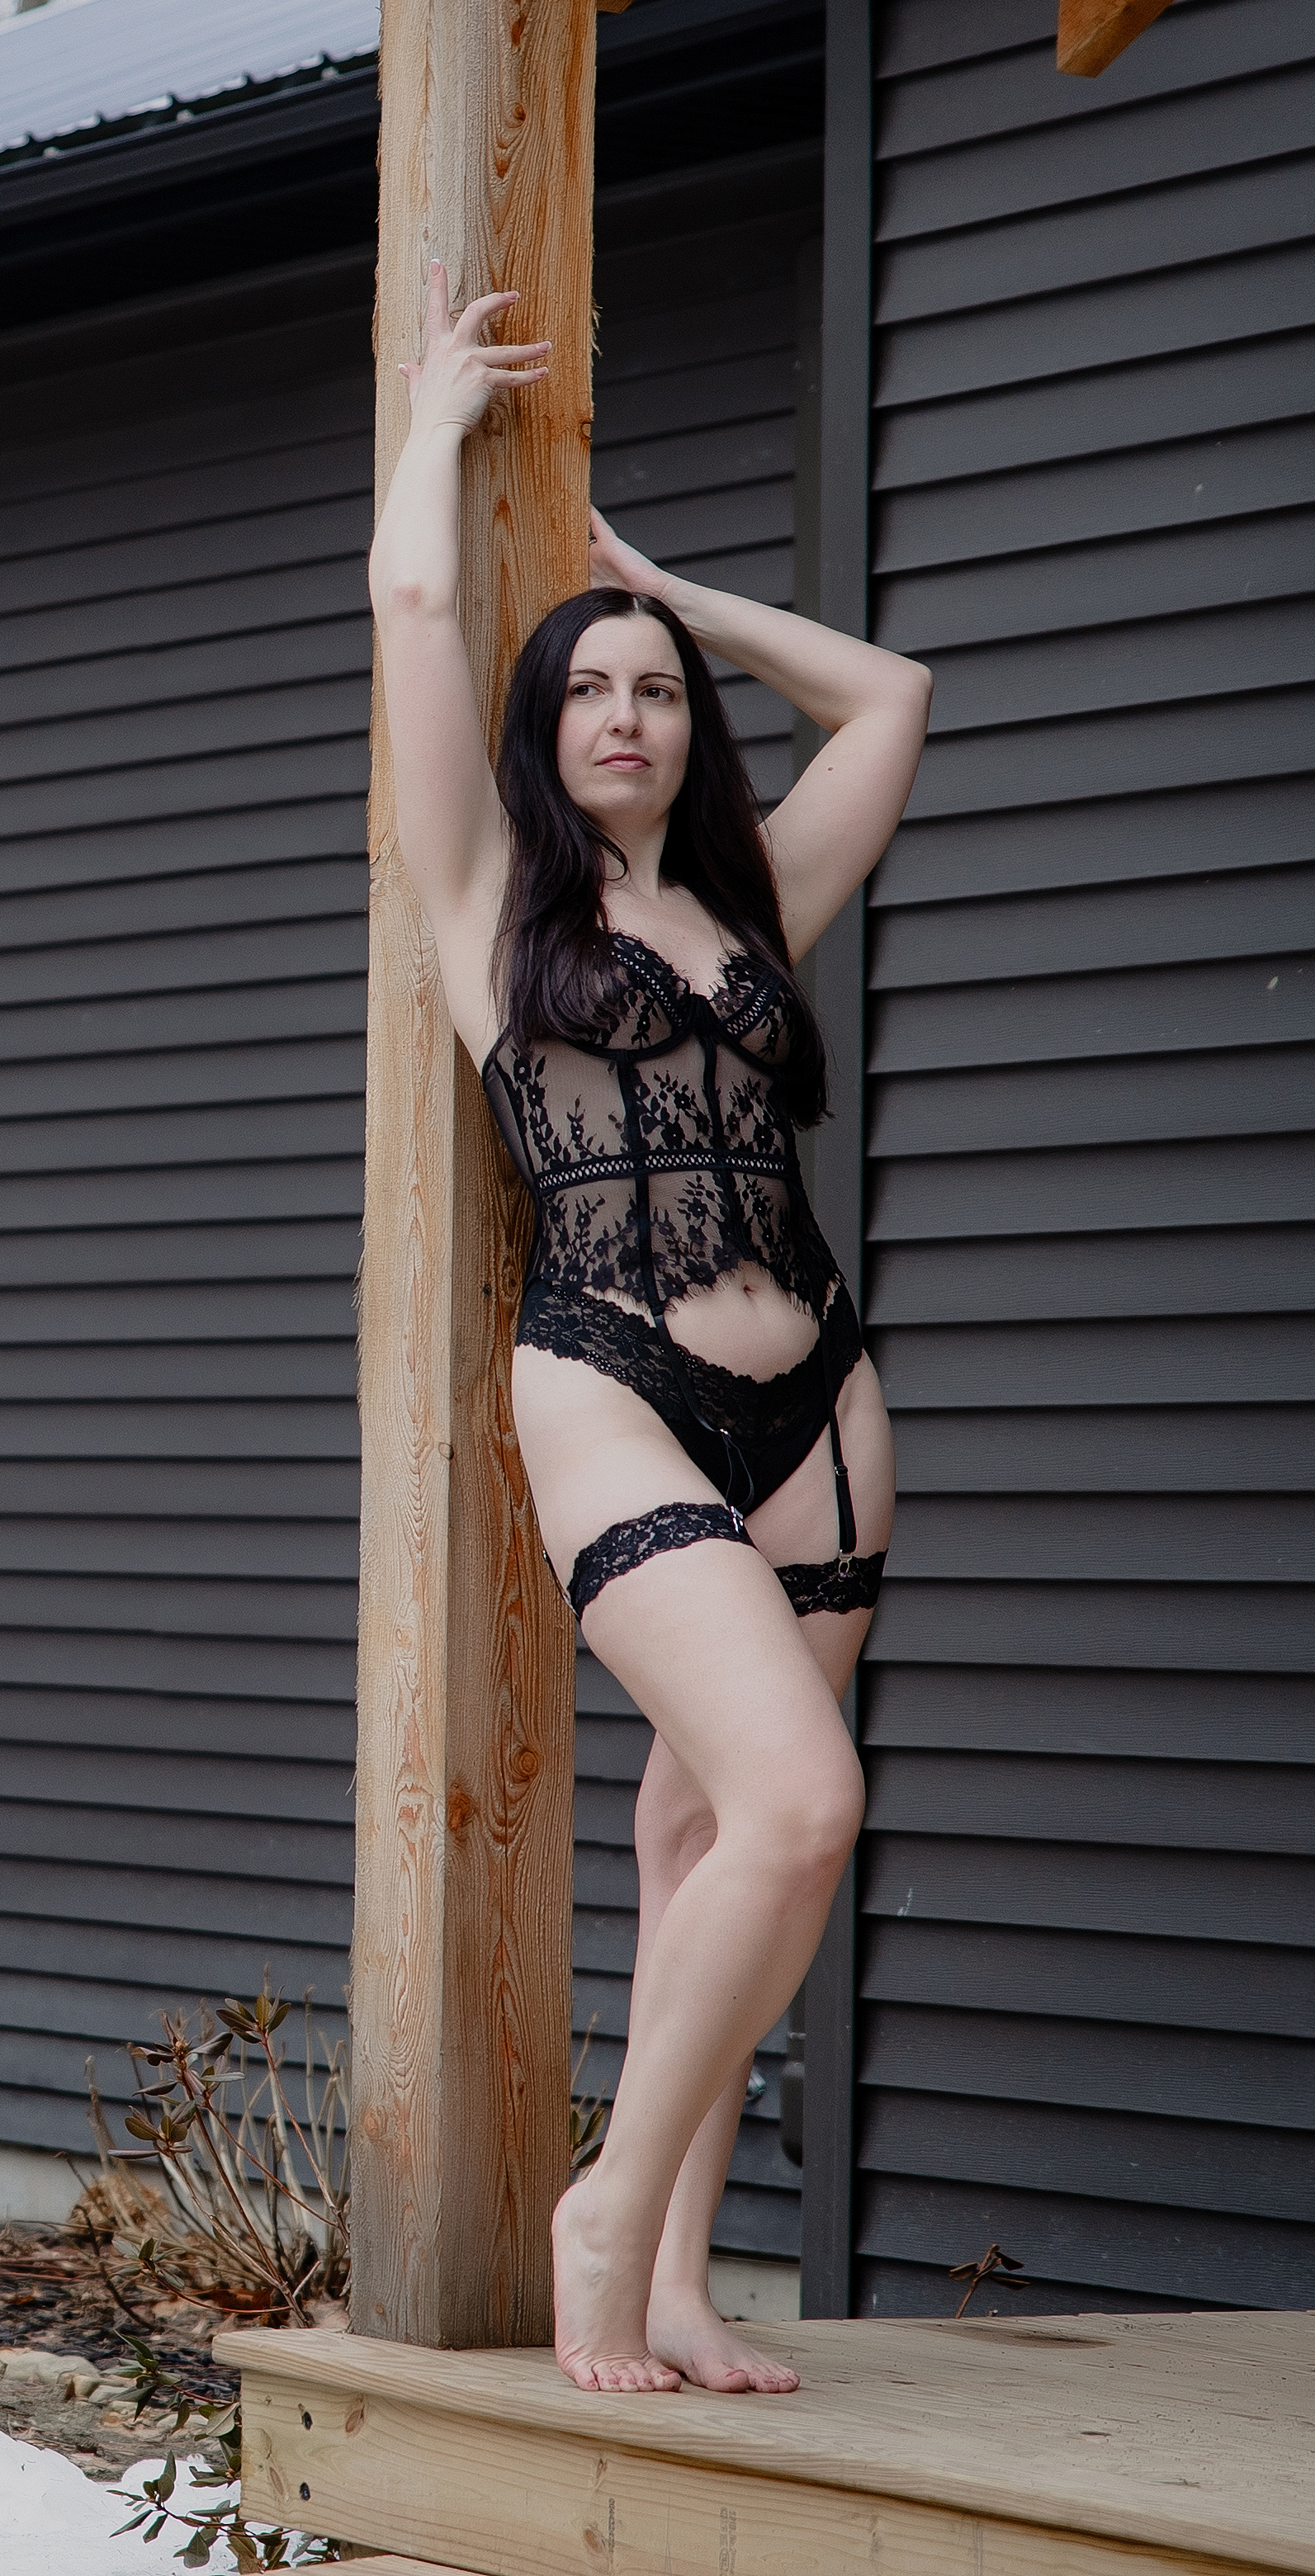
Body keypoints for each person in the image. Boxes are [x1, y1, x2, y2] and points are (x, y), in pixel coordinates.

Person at [368, 260, 934, 2394]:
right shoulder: (489, 910)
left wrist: (684, 592)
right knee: (803, 1805)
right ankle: (608, 2202)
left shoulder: (757, 895)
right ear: (545, 733)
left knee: (710, 1831)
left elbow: (892, 696)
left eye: (659, 691)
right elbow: (416, 613)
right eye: (597, 688)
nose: (628, 715)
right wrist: (434, 420)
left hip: (825, 1404)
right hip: (614, 1381)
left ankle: (685, 2274)